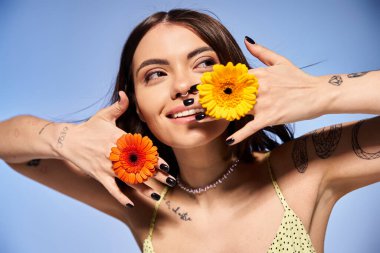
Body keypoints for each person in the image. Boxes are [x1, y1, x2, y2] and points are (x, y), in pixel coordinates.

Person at [1, 8, 379, 253]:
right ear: (138, 107)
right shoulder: (141, 199)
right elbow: (8, 144)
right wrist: (67, 139)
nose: (183, 86)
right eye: (156, 74)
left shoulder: (305, 168)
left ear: (236, 79)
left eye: (202, 64)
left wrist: (319, 91)